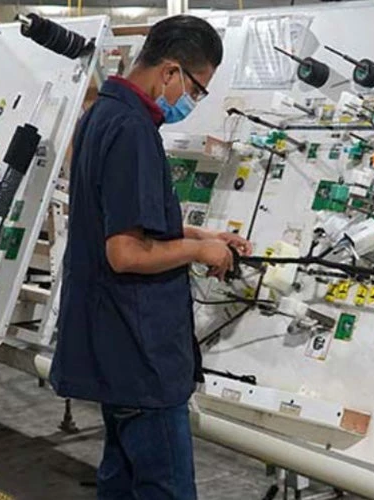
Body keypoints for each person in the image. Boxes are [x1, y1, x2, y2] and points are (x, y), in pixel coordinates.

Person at [49, 16, 252, 499]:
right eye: (197, 89)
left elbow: (121, 220)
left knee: (121, 479)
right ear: (170, 72)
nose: (192, 101)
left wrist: (200, 232)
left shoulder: (101, 117)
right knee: (166, 487)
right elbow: (125, 252)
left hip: (114, 350)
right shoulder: (132, 130)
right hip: (140, 354)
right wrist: (202, 251)